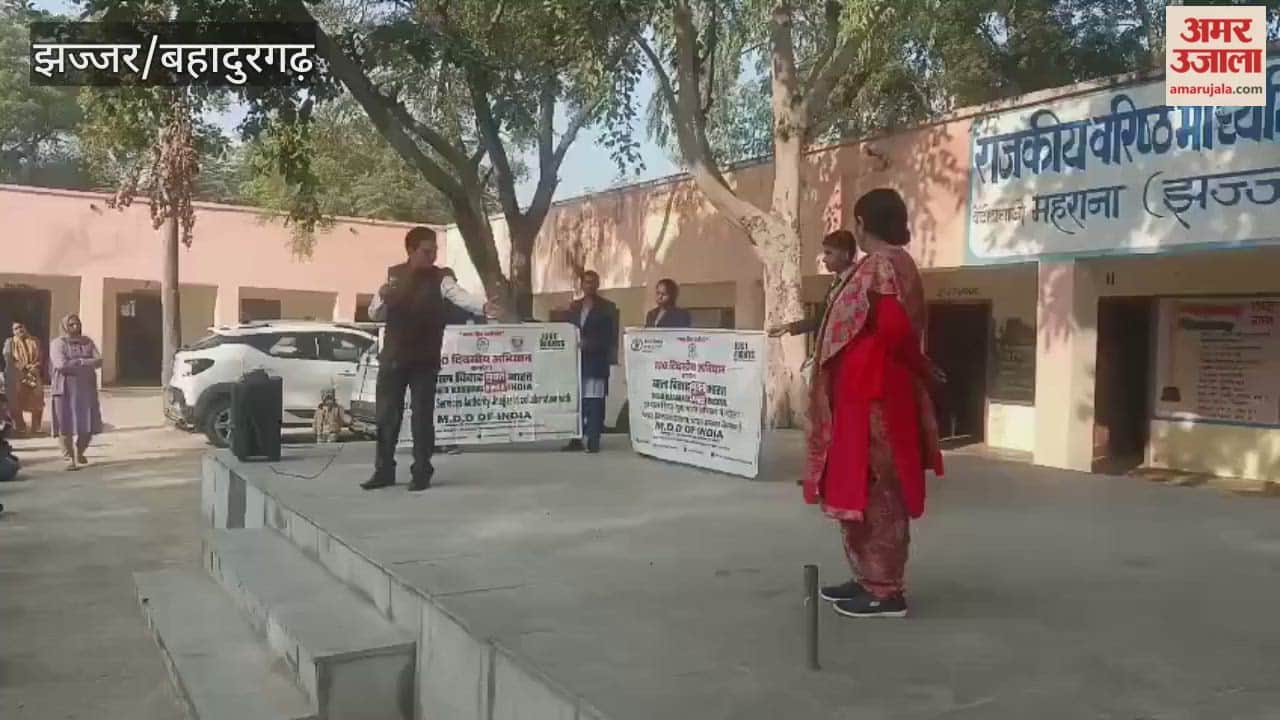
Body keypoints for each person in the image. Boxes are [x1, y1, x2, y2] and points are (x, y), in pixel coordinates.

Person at [800, 189, 944, 619]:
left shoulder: (882, 264)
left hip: (877, 395)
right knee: (861, 486)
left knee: (878, 488)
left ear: (862, 223)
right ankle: (867, 577)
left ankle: (885, 590)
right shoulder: (890, 264)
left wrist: (918, 365)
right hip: (867, 392)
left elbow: (895, 329)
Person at [363, 226, 497, 492]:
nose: (433, 255)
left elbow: (459, 296)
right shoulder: (394, 277)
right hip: (393, 358)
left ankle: (421, 472)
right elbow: (374, 315)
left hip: (424, 358)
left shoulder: (441, 278)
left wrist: (483, 306)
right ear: (411, 251)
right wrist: (382, 299)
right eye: (427, 251)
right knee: (386, 417)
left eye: (435, 250)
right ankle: (384, 470)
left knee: (422, 418)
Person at [561, 270, 618, 454]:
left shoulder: (607, 307)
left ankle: (593, 440)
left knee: (594, 403)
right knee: (576, 402)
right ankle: (575, 439)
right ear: (581, 285)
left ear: (598, 284)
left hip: (596, 362)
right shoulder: (574, 307)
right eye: (586, 282)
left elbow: (609, 337)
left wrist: (589, 344)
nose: (589, 285)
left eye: (593, 282)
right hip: (576, 363)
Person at [49, 314, 103, 471]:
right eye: (71, 324)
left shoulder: (87, 342)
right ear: (65, 326)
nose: (75, 327)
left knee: (88, 423)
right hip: (64, 388)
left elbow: (99, 361)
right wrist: (85, 362)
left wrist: (78, 362)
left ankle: (79, 451)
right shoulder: (58, 343)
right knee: (64, 423)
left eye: (77, 324)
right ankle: (68, 458)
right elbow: (61, 364)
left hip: (86, 388)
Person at [2, 322, 44, 437]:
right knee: (16, 402)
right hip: (16, 375)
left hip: (33, 373)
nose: (19, 330)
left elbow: (40, 356)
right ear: (13, 331)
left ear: (25, 328)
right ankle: (20, 427)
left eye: (21, 327)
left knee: (37, 398)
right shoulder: (10, 342)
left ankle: (36, 428)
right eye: (16, 328)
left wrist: (35, 366)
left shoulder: (35, 341)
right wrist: (23, 367)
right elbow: (9, 359)